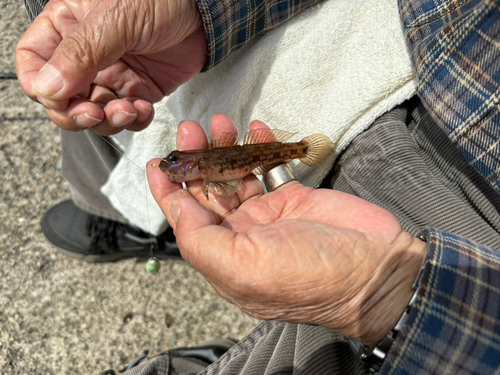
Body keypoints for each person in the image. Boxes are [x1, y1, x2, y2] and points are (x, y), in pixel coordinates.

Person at [15, 0, 500, 374]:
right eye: (183, 168)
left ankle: (154, 239)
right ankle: (142, 223)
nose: (181, 169)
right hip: (434, 78)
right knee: (73, 46)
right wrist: (200, 11)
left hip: (455, 231)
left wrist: (385, 294)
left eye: (181, 167)